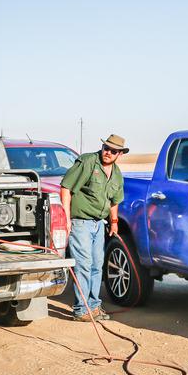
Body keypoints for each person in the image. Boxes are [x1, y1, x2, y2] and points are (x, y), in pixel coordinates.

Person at [60, 133, 128, 321]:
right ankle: (81, 310)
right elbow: (66, 187)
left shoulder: (116, 173)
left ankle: (94, 307)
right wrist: (66, 218)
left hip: (100, 225)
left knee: (97, 265)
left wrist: (114, 222)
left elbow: (114, 201)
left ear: (119, 154)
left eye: (113, 151)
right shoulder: (88, 162)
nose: (108, 152)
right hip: (81, 222)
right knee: (83, 264)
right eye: (106, 148)